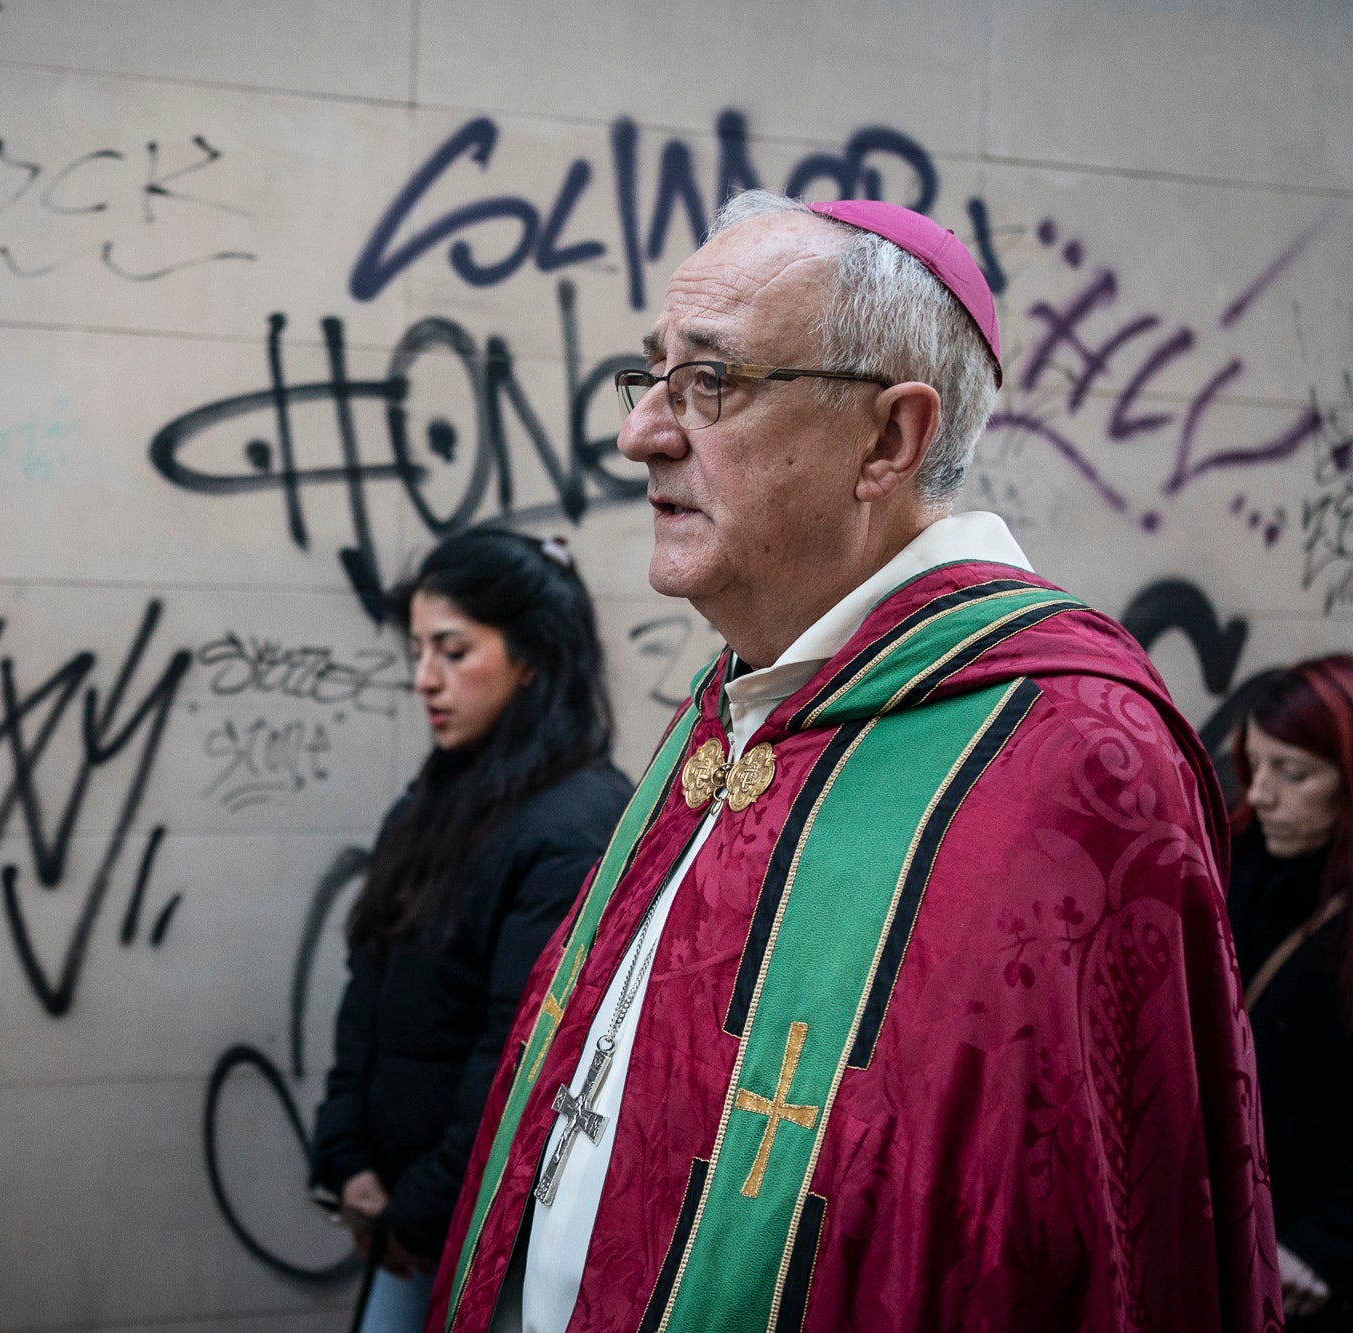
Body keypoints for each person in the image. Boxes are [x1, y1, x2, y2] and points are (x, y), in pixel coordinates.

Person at [429, 193, 1280, 1333]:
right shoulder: (740, 700)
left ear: (887, 441)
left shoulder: (1072, 753)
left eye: (711, 382)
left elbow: (1090, 1231)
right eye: (653, 376)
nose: (642, 434)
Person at [312, 530, 633, 1333]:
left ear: (532, 656)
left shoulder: (575, 824)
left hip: (482, 1234)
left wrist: (418, 1210)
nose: (425, 677)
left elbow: (519, 1057)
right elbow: (368, 990)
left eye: (453, 651)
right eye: (418, 649)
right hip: (403, 1219)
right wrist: (348, 1155)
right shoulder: (438, 796)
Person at [1230, 657, 1353, 1329]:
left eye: (1294, 773)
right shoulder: (1239, 861)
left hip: (1311, 1270)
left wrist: (1329, 1244)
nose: (1263, 795)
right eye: (1256, 766)